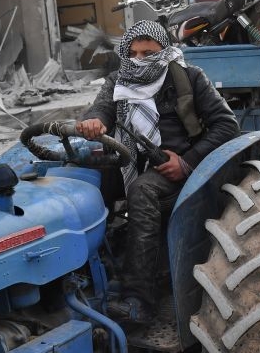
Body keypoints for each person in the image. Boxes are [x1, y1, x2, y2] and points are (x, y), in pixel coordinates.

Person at [76, 20, 240, 325]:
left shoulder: (188, 78)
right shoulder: (118, 81)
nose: (140, 60)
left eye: (148, 52)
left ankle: (139, 299)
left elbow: (227, 125)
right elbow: (100, 110)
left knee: (143, 190)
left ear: (164, 50)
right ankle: (86, 276)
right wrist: (94, 122)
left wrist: (187, 161)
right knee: (81, 185)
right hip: (129, 162)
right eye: (134, 53)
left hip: (175, 170)